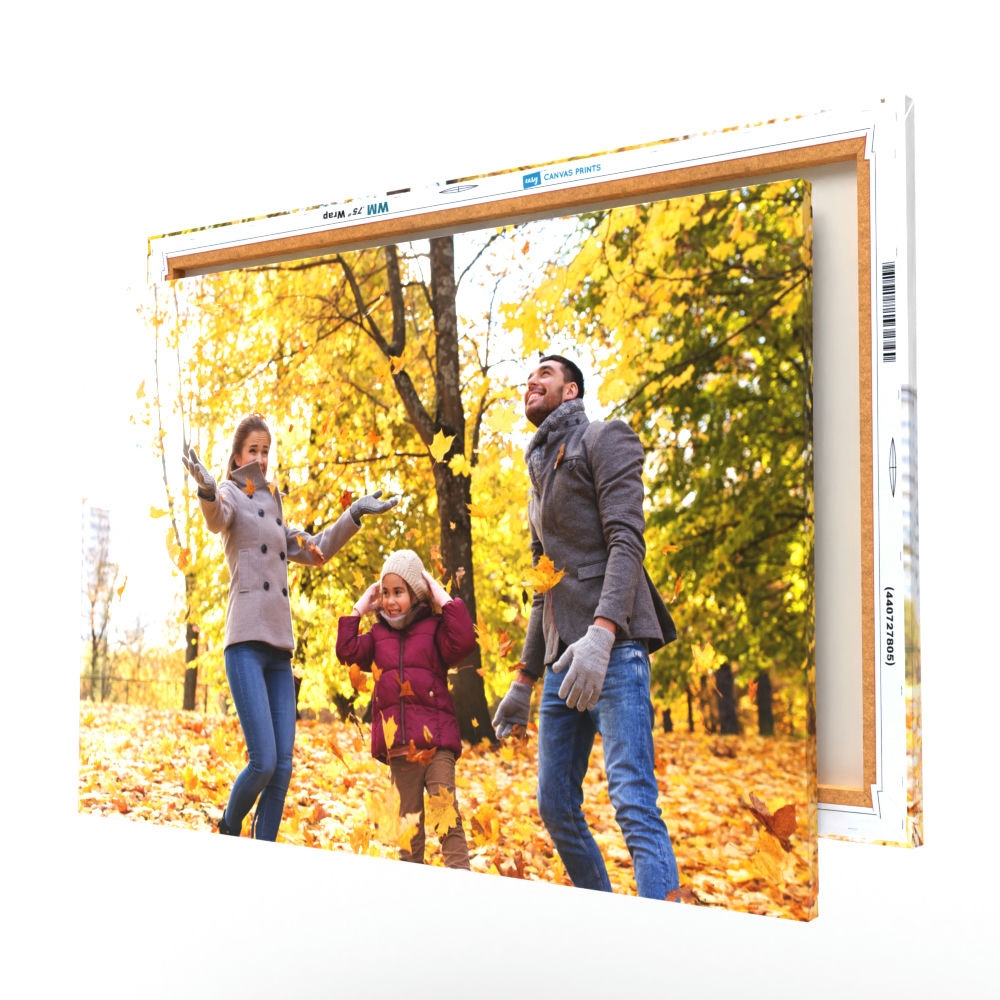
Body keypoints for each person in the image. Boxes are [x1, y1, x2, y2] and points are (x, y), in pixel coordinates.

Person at [492, 354, 680, 899]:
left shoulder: (603, 438)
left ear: (570, 390)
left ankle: (666, 937)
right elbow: (543, 586)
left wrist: (602, 635)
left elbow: (627, 542)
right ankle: (603, 913)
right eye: (530, 376)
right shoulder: (536, 477)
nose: (532, 380)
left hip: (612, 652)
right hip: (558, 662)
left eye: (545, 374)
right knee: (554, 805)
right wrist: (523, 681)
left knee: (632, 800)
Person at [182, 413, 398, 841]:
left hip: (280, 650)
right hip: (244, 642)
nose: (261, 459)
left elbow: (316, 548)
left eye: (266, 451)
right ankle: (228, 828)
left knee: (282, 768)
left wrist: (354, 513)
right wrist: (207, 488)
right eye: (253, 451)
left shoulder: (276, 507)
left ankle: (264, 858)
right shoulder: (229, 493)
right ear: (238, 455)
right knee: (262, 760)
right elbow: (215, 517)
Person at [337, 549, 475, 869]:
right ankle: (410, 896)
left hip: (437, 745)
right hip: (399, 751)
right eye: (385, 593)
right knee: (408, 831)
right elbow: (346, 651)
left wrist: (439, 594)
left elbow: (464, 641)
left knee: (446, 820)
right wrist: (360, 606)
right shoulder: (376, 636)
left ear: (416, 594)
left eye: (399, 592)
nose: (390, 600)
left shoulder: (435, 630)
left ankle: (463, 885)